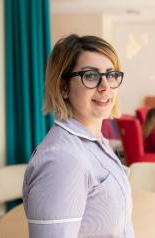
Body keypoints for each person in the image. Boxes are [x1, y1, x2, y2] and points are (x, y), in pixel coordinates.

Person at [23, 34, 135, 237]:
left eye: (111, 75)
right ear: (64, 87)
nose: (105, 86)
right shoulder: (61, 159)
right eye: (91, 75)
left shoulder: (96, 141)